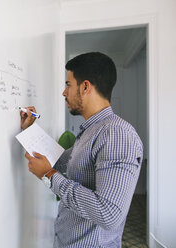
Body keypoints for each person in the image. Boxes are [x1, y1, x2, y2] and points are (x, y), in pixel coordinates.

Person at [20, 52, 143, 248]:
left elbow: (108, 213)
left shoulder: (116, 134)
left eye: (68, 85)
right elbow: (59, 159)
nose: (64, 92)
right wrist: (30, 129)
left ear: (85, 87)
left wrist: (49, 175)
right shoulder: (93, 130)